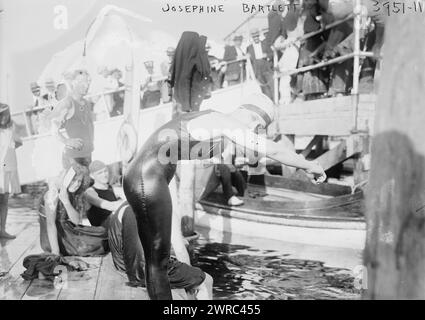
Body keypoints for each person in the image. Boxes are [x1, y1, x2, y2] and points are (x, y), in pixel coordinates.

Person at [123, 92, 326, 300]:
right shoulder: (222, 121)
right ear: (249, 115)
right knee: (158, 262)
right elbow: (274, 151)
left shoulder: (215, 127)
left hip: (147, 177)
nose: (256, 132)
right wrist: (309, 165)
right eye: (258, 126)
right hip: (147, 178)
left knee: (156, 261)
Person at [108, 203, 213, 300]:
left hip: (122, 266)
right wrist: (190, 281)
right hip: (144, 271)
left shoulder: (126, 205)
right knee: (206, 280)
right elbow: (180, 250)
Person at [40, 164, 109, 256]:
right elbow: (50, 224)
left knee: (103, 234)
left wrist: (66, 202)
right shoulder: (52, 194)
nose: (76, 184)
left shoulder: (75, 194)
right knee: (93, 245)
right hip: (52, 238)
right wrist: (55, 252)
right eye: (73, 180)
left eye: (79, 181)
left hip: (67, 228)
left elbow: (76, 221)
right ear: (66, 180)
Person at [49, 69, 94, 169]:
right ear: (73, 83)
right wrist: (67, 141)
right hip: (73, 158)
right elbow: (53, 129)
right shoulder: (67, 103)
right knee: (76, 184)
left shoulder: (86, 103)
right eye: (82, 82)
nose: (86, 86)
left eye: (88, 82)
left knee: (86, 183)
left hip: (87, 155)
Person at [170, 31, 211, 116]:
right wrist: (186, 106)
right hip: (188, 105)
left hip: (183, 101)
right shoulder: (190, 60)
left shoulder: (180, 59)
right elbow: (184, 81)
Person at [85, 160, 124, 228]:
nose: (104, 175)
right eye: (100, 173)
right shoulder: (89, 192)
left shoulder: (112, 188)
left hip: (116, 228)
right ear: (92, 176)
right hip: (102, 234)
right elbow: (110, 206)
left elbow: (128, 196)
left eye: (105, 171)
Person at [0, 104, 16, 239]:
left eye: (6, 114)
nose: (4, 117)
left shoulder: (10, 129)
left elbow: (16, 144)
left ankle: (2, 229)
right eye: (2, 114)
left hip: (7, 168)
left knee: (4, 200)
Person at [246, 28, 274, 99]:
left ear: (259, 36)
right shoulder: (249, 48)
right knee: (263, 88)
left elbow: (272, 53)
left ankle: (276, 100)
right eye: (254, 37)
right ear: (252, 38)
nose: (256, 38)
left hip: (266, 67)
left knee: (272, 84)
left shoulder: (265, 44)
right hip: (257, 69)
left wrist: (267, 55)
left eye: (257, 36)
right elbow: (248, 61)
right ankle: (269, 102)